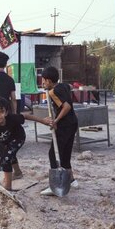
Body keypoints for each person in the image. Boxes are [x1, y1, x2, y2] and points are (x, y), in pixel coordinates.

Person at [39, 66, 79, 196]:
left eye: (44, 81)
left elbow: (66, 106)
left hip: (65, 125)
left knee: (53, 154)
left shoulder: (53, 92)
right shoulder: (64, 86)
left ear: (49, 81)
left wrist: (56, 120)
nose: (43, 83)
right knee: (65, 153)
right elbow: (68, 93)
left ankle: (56, 185)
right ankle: (71, 180)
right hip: (73, 123)